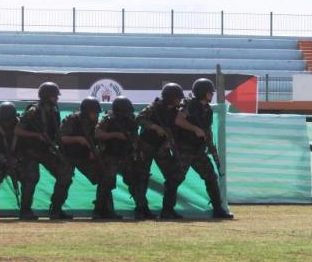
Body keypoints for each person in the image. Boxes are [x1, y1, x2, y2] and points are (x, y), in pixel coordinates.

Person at [175, 78, 233, 219]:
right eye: (209, 92)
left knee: (211, 177)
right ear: (202, 93)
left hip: (198, 150)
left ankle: (218, 209)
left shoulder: (208, 110)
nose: (211, 95)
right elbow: (178, 120)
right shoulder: (189, 105)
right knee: (175, 178)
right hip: (186, 148)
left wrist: (211, 146)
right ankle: (167, 210)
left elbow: (207, 130)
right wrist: (194, 128)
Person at [15, 82, 71, 220]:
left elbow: (56, 133)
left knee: (65, 174)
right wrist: (36, 135)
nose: (56, 99)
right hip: (30, 151)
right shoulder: (33, 111)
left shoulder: (54, 111)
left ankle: (56, 209)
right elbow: (17, 130)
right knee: (31, 179)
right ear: (46, 96)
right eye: (54, 96)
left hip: (46, 150)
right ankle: (25, 211)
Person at [60, 97, 121, 220]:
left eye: (98, 113)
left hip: (85, 156)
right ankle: (56, 210)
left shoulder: (95, 123)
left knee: (105, 178)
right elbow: (61, 138)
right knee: (64, 180)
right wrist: (78, 139)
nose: (97, 115)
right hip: (68, 156)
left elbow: (99, 139)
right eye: (94, 113)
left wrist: (96, 150)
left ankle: (103, 209)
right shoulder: (72, 120)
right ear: (86, 112)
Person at [137, 83, 186, 220]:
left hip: (162, 148)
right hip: (146, 145)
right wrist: (154, 127)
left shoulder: (177, 112)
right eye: (177, 98)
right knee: (142, 177)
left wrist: (167, 142)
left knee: (173, 176)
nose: (179, 101)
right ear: (170, 97)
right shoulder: (154, 108)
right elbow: (139, 119)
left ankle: (168, 209)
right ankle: (141, 209)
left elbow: (176, 130)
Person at [95, 96, 146, 219]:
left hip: (127, 155)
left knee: (136, 181)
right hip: (110, 155)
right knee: (106, 183)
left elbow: (135, 137)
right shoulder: (108, 120)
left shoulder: (131, 120)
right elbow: (97, 134)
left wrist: (137, 150)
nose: (129, 113)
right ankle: (101, 211)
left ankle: (141, 209)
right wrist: (116, 135)